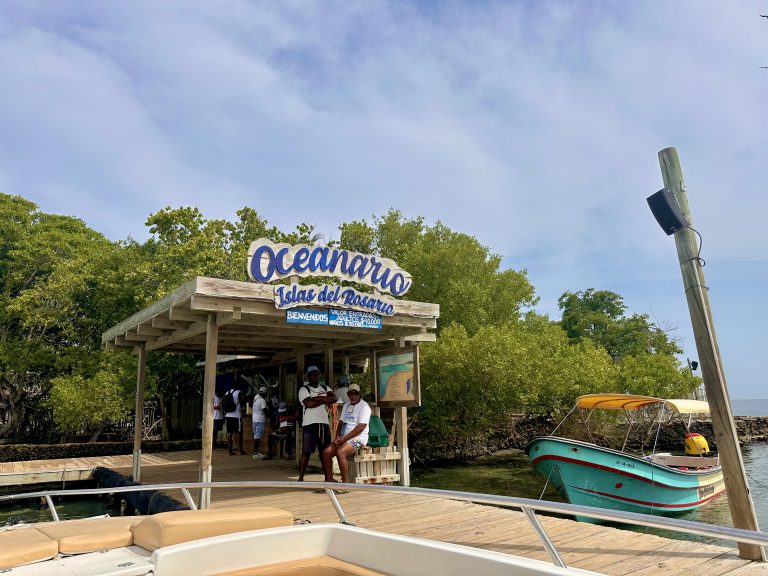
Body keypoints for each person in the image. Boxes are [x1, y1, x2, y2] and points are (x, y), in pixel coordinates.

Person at [322, 383, 371, 486]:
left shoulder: (364, 407)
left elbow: (361, 427)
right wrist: (337, 437)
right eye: (350, 394)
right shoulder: (346, 405)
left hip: (359, 439)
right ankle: (329, 480)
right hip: (344, 438)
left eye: (355, 394)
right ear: (347, 394)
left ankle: (345, 484)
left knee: (340, 452)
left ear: (359, 394)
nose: (353, 396)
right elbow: (341, 422)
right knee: (326, 452)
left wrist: (344, 438)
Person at [297, 365, 336, 481]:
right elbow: (308, 404)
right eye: (312, 374)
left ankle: (328, 478)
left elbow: (334, 399)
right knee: (306, 451)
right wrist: (324, 399)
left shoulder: (326, 387)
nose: (315, 375)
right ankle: (300, 478)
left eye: (317, 373)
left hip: (323, 424)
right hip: (309, 424)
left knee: (325, 452)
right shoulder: (304, 389)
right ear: (308, 376)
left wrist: (318, 399)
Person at [224, 386, 247, 456]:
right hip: (236, 416)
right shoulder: (239, 392)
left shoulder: (227, 393)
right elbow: (242, 403)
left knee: (229, 433)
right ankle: (240, 451)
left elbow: (223, 402)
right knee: (239, 432)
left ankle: (230, 451)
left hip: (228, 415)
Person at [251, 386, 269, 459]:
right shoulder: (262, 401)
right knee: (257, 437)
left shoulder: (256, 397)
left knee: (256, 436)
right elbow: (265, 411)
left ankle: (256, 452)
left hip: (254, 419)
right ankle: (256, 453)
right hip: (260, 420)